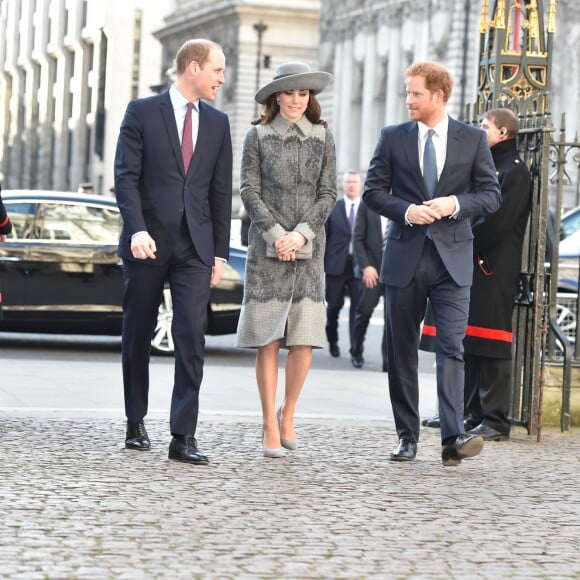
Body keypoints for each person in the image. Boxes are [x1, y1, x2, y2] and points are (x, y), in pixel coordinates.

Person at [363, 61, 501, 466]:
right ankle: (406, 437)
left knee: (452, 348)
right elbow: (373, 192)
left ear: (439, 95)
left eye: (416, 93)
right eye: (408, 92)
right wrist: (406, 211)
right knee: (401, 350)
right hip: (404, 257)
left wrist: (455, 204)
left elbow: (491, 196)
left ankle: (452, 437)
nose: (409, 99)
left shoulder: (473, 139)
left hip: (452, 261)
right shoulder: (392, 138)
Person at [114, 39, 233, 465]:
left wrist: (219, 253)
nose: (222, 78)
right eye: (218, 70)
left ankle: (183, 435)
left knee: (190, 337)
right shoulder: (142, 112)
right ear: (194, 67)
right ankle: (135, 421)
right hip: (147, 244)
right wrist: (136, 230)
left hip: (196, 249)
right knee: (138, 333)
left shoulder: (218, 123)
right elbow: (125, 178)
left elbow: (220, 193)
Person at [236, 62, 336, 458]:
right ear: (276, 96)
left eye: (304, 93)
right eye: (290, 93)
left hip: (310, 251)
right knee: (269, 339)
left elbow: (328, 193)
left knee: (304, 339)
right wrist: (278, 236)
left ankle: (288, 412)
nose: (297, 100)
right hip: (267, 251)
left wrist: (302, 234)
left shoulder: (323, 137)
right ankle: (267, 425)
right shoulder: (257, 136)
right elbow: (248, 190)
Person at [421, 109, 532, 440]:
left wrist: (460, 239)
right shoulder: (482, 163)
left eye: (483, 127)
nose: (477, 130)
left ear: (501, 132)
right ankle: (466, 413)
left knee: (492, 343)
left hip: (493, 265)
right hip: (468, 259)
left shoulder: (515, 172)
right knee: (466, 339)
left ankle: (495, 418)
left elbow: (497, 222)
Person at [323, 170, 363, 358]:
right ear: (343, 185)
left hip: (358, 267)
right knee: (333, 308)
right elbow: (324, 238)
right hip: (335, 266)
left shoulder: (367, 209)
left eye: (354, 182)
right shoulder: (334, 208)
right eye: (348, 182)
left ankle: (356, 349)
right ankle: (333, 341)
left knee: (358, 309)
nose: (351, 185)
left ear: (360, 185)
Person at [351, 200, 388, 371]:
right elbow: (357, 239)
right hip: (371, 272)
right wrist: (366, 266)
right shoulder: (368, 204)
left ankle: (388, 361)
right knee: (364, 313)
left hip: (395, 272)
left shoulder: (403, 201)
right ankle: (356, 351)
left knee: (392, 319)